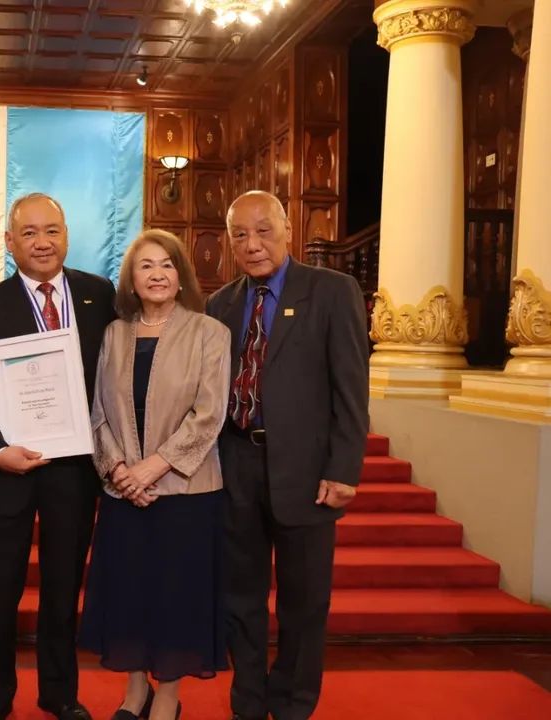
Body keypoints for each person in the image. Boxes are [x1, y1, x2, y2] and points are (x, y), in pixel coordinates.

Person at [205, 191, 369, 720]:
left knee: (303, 601)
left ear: (287, 231)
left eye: (263, 231)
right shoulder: (220, 304)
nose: (252, 245)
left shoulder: (333, 291)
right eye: (240, 235)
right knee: (241, 598)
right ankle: (248, 702)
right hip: (236, 466)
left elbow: (351, 390)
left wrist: (344, 469)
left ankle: (294, 703)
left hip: (305, 471)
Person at [0, 193, 116, 720]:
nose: (42, 242)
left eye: (51, 230)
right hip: (7, 472)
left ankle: (60, 695)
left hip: (74, 472)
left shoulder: (100, 294)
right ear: (9, 243)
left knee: (62, 589)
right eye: (28, 233)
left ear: (67, 235)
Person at [81, 229, 230, 720]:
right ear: (132, 277)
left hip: (186, 492)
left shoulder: (210, 333)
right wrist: (121, 470)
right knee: (130, 593)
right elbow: (98, 410)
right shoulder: (114, 333)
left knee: (173, 598)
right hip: (124, 490)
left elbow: (209, 415)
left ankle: (167, 697)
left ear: (180, 274)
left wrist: (153, 468)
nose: (157, 274)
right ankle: (134, 692)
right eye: (146, 265)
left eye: (166, 264)